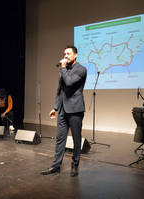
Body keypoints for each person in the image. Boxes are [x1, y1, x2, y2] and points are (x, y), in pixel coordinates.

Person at [41, 45, 87, 177]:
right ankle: (56, 166)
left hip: (75, 109)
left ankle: (75, 165)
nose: (65, 56)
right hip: (62, 110)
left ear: (75, 55)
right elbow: (60, 90)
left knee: (76, 139)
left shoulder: (81, 69)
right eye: (64, 54)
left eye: (68, 53)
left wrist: (62, 68)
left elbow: (69, 83)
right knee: (60, 138)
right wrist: (55, 107)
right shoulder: (64, 70)